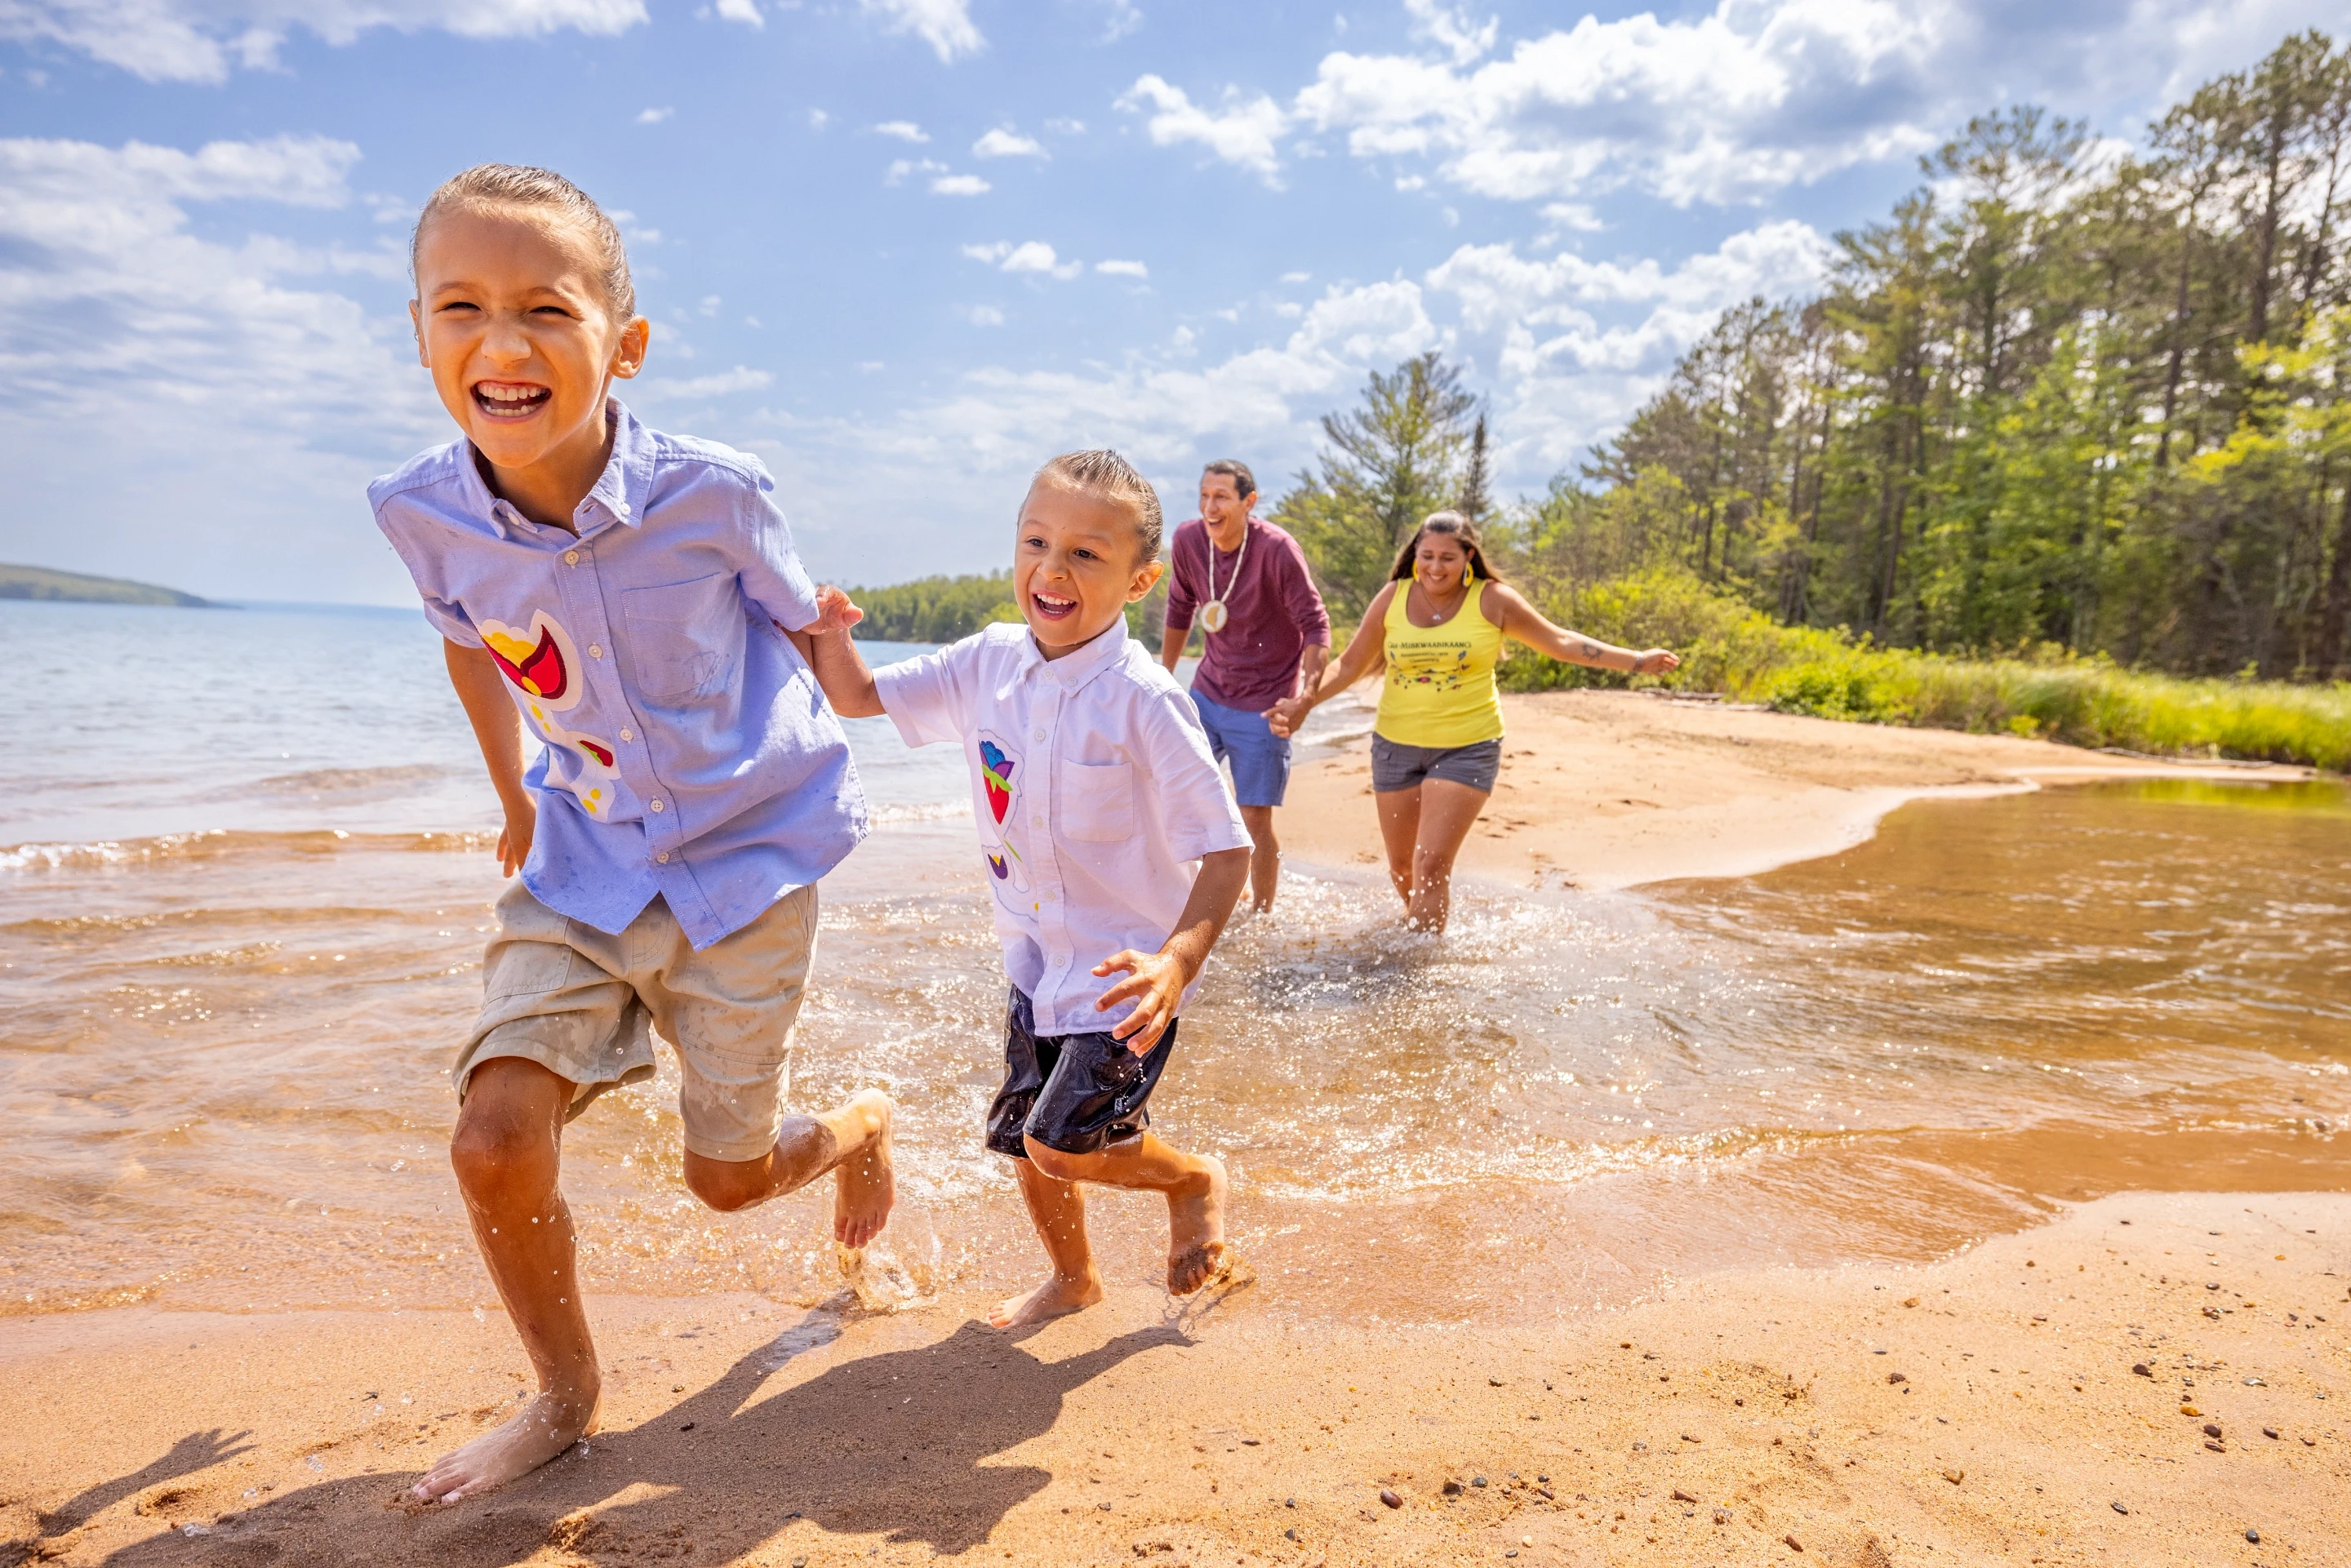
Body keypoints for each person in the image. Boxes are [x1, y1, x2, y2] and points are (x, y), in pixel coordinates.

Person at [370, 165, 896, 1504]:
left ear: (624, 342)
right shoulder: (417, 511)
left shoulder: (716, 494)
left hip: (746, 857)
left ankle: (862, 1123)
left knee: (727, 1181)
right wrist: (507, 801)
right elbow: (473, 655)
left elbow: (806, 634)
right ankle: (563, 1393)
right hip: (585, 856)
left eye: (547, 309)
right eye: (461, 308)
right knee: (492, 1134)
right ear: (421, 331)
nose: (502, 345)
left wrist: (874, 668)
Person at [798, 450, 1253, 1330]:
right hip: (1035, 960)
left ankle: (1194, 1177)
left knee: (1061, 1142)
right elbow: (853, 695)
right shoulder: (986, 664)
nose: (1052, 568)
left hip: (1127, 978)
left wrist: (1175, 964)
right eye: (1036, 541)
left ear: (1140, 579)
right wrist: (829, 625)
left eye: (1087, 554)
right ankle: (1075, 1278)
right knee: (1025, 1144)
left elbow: (1227, 852)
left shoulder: (1146, 701)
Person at [1270, 511, 1679, 932]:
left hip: (1468, 747)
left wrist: (1636, 661)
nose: (1434, 567)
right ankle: (1420, 935)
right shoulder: (1394, 596)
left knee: (1430, 865)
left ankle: (1417, 971)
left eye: (1447, 558)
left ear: (1468, 556)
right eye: (1426, 556)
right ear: (1414, 555)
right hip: (1395, 745)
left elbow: (1559, 642)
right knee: (1402, 868)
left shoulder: (1493, 599)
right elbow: (1352, 663)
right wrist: (1305, 702)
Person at [1158, 460, 1330, 913]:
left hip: (1264, 703)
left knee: (1253, 816)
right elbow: (1180, 609)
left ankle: (1262, 913)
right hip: (1208, 694)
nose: (1210, 507)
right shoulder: (1190, 541)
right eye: (1203, 496)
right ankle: (1171, 898)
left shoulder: (1277, 550)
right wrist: (1163, 675)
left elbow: (1316, 625)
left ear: (1248, 502)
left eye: (1221, 497)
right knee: (1169, 794)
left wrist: (1305, 698)